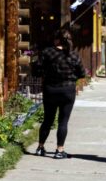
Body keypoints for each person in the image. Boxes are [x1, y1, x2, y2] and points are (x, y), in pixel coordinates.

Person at [32, 29, 88, 159]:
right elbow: (82, 73)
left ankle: (40, 147)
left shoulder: (47, 52)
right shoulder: (73, 55)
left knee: (47, 120)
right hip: (68, 90)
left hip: (50, 89)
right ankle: (59, 150)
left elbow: (37, 71)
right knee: (63, 121)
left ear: (57, 39)